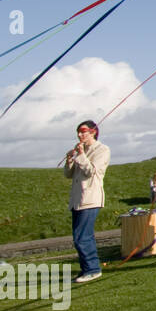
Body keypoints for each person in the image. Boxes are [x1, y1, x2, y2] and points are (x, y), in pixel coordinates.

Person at [62, 120, 111, 283]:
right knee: (78, 236)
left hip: (91, 199)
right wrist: (70, 159)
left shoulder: (102, 150)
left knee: (83, 236)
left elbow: (90, 171)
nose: (79, 135)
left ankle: (93, 269)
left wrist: (81, 155)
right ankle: (86, 268)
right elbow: (69, 175)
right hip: (77, 199)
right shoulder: (81, 152)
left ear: (93, 132)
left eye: (83, 131)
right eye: (78, 132)